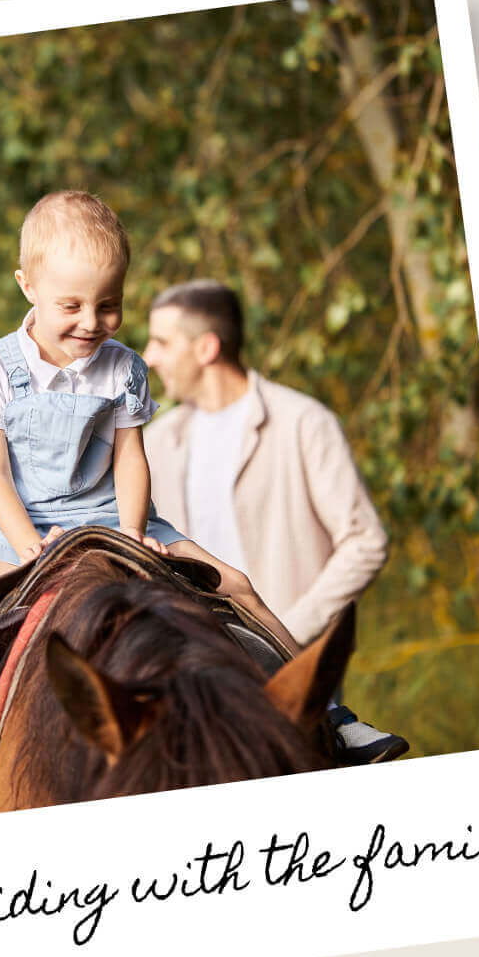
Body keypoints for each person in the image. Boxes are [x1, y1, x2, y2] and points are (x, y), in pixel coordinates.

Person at [0, 192, 299, 830]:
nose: (91, 322)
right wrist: (26, 548)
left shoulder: (124, 368)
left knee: (233, 584)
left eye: (109, 304)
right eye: (70, 305)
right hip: (16, 524)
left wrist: (132, 534)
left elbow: (131, 458)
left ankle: (323, 714)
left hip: (110, 513)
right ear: (28, 287)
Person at [141, 279, 407, 763]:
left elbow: (364, 541)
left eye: (161, 341)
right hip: (191, 671)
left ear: (206, 348)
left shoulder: (304, 422)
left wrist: (288, 629)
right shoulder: (156, 442)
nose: (149, 356)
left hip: (289, 665)